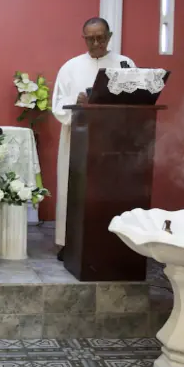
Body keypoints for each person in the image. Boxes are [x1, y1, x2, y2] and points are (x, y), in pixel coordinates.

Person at [51, 17, 135, 260]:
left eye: (101, 37)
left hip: (113, 142)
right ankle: (70, 242)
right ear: (84, 39)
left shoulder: (125, 64)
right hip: (78, 140)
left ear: (109, 36)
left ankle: (114, 242)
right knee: (74, 191)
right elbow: (57, 105)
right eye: (91, 38)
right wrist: (76, 105)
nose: (96, 42)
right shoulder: (70, 67)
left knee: (110, 192)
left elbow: (136, 99)